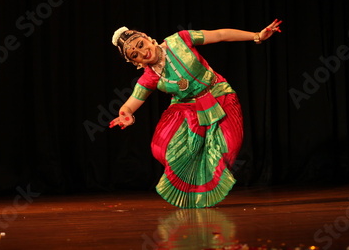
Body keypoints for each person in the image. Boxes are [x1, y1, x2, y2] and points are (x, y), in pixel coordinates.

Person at [109, 19, 282, 208]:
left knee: (228, 148)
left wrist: (256, 36)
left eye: (141, 45)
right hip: (187, 108)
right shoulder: (150, 76)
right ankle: (194, 195)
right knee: (163, 146)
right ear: (136, 62)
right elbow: (130, 104)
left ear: (148, 39)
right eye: (136, 55)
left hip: (218, 95)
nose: (143, 53)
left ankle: (204, 192)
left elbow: (220, 35)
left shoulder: (180, 40)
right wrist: (126, 115)